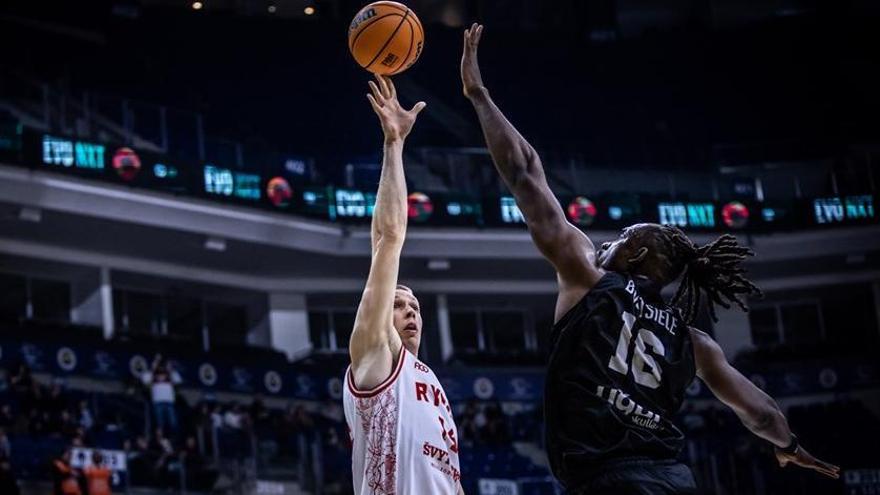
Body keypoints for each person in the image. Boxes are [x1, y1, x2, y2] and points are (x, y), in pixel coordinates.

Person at [460, 23, 840, 494]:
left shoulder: (588, 278)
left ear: (636, 254)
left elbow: (525, 173)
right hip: (673, 481)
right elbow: (760, 412)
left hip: (606, 483)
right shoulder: (694, 341)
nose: (607, 243)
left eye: (621, 236)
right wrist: (787, 444)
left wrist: (479, 96)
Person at [342, 74, 464, 495]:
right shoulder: (374, 354)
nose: (411, 310)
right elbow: (387, 239)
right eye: (399, 304)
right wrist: (394, 145)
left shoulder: (430, 380)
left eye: (415, 306)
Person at [140, 355, 182, 434]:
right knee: (160, 424)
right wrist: (152, 369)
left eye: (163, 374)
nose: (161, 376)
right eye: (159, 374)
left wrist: (170, 370)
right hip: (158, 403)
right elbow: (144, 379)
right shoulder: (152, 378)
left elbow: (178, 380)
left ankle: (174, 436)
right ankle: (161, 437)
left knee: (173, 423)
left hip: (169, 403)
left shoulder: (170, 377)